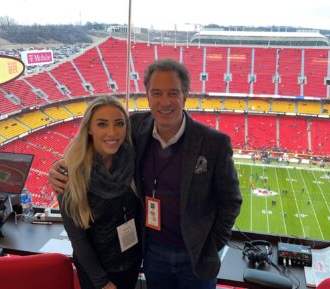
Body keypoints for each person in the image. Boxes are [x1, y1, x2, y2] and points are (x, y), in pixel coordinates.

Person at [49, 58, 242, 289]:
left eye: (173, 93)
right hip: (152, 254)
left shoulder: (214, 143)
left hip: (195, 256)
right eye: (157, 93)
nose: (165, 102)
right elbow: (96, 142)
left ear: (185, 96)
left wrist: (211, 248)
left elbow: (231, 201)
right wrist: (61, 165)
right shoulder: (137, 127)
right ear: (148, 96)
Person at [57, 95, 142, 289]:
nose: (112, 132)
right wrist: (102, 282)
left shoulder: (131, 159)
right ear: (89, 128)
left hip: (131, 263)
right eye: (102, 124)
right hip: (98, 274)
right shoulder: (71, 175)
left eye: (119, 123)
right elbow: (78, 240)